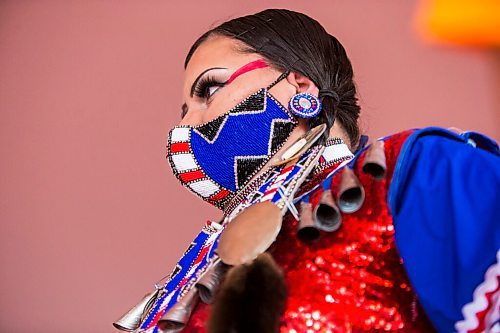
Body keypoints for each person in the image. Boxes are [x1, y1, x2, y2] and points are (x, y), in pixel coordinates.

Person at [113, 9, 499, 333]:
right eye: (184, 113)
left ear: (299, 84)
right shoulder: (202, 274)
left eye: (208, 90)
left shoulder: (419, 169)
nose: (187, 127)